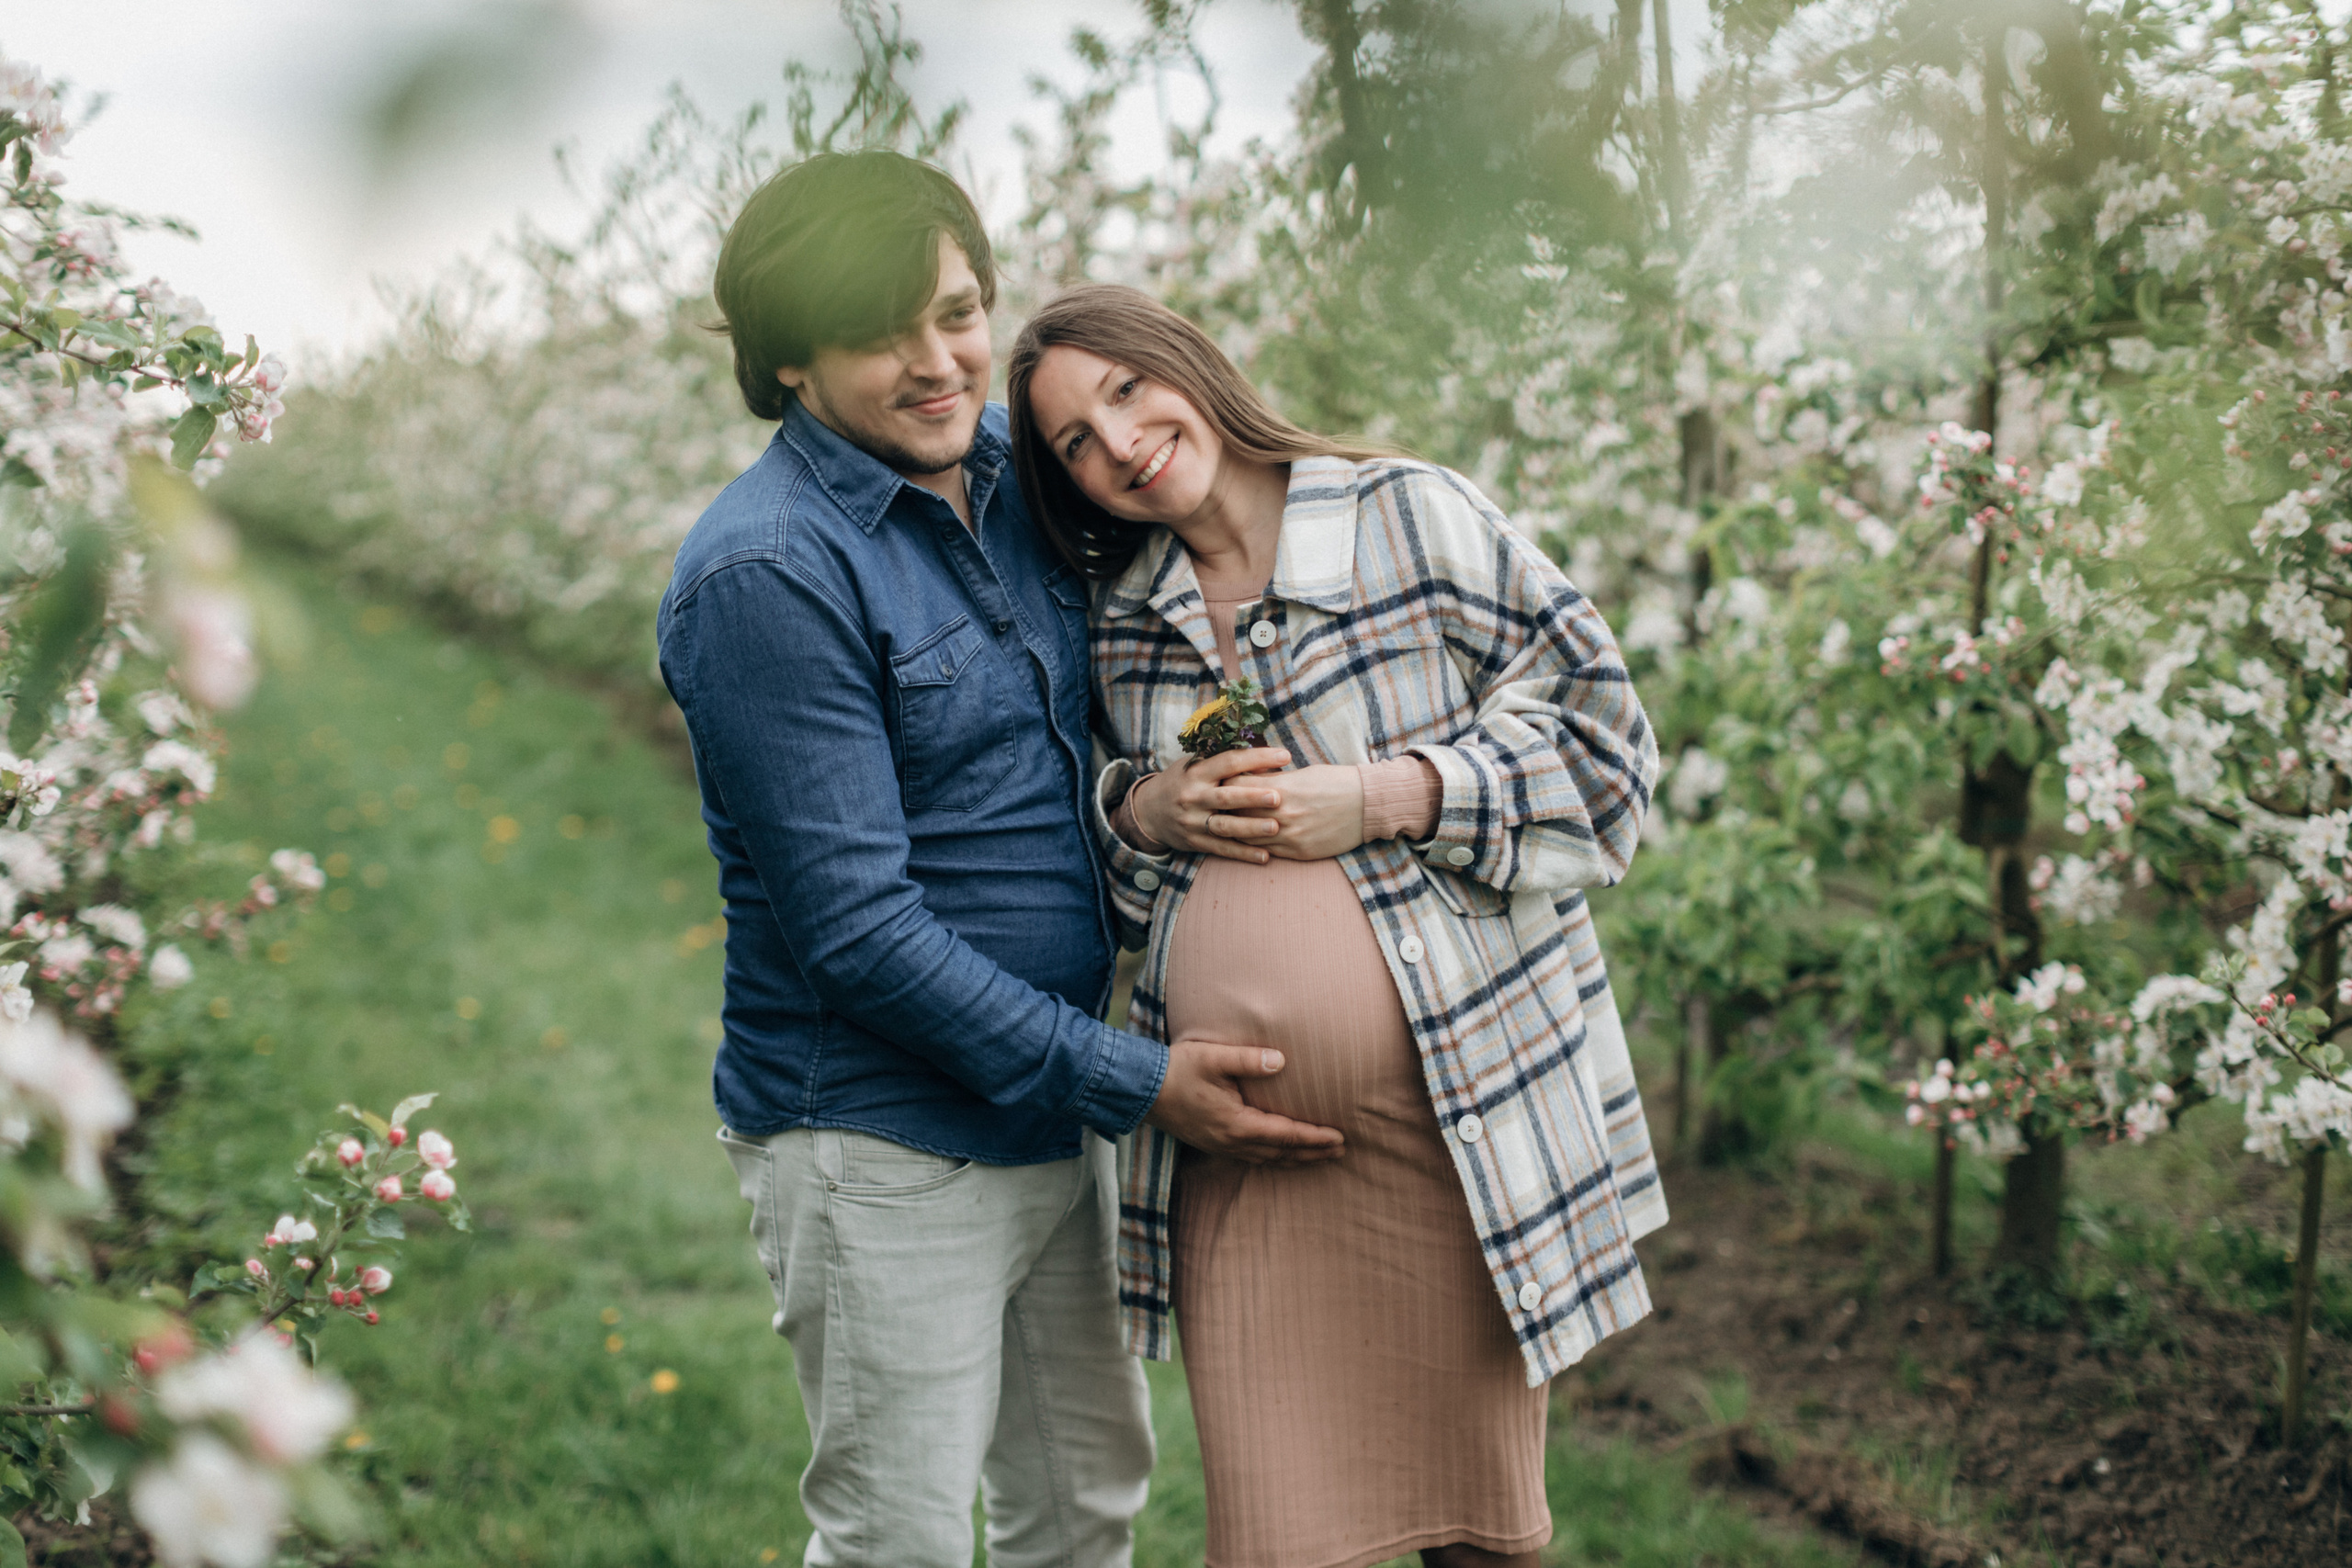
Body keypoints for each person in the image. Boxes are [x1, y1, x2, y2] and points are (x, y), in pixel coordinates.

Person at [657, 153, 1341, 1568]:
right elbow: (857, 934)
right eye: (877, 335)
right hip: (883, 1138)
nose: (935, 362)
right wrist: (1139, 1084)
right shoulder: (769, 574)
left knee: (1082, 1502)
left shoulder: (1014, 478)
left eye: (958, 312)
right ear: (789, 361)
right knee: (901, 1539)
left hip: (1044, 1105)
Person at [1007, 283, 1671, 1568]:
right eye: (1076, 442)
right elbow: (1116, 889)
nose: (1120, 442)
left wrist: (1380, 797)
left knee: (1482, 1534)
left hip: (1455, 1122)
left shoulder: (1406, 519)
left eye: (1126, 391)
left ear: (1187, 367)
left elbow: (1607, 754)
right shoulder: (1126, 633)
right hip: (1247, 1163)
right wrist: (1148, 812)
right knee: (1273, 1539)